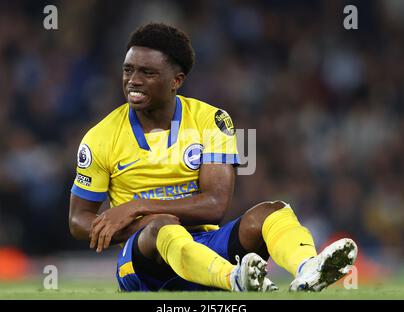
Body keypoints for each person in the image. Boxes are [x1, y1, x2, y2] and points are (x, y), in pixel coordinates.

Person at [69, 23, 357, 292]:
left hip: (206, 246)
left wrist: (137, 205)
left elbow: (215, 205)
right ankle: (235, 279)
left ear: (176, 80)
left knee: (274, 210)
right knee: (162, 225)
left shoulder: (212, 121)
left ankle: (308, 269)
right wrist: (133, 224)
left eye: (147, 72)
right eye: (128, 70)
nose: (133, 81)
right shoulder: (100, 137)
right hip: (144, 261)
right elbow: (78, 220)